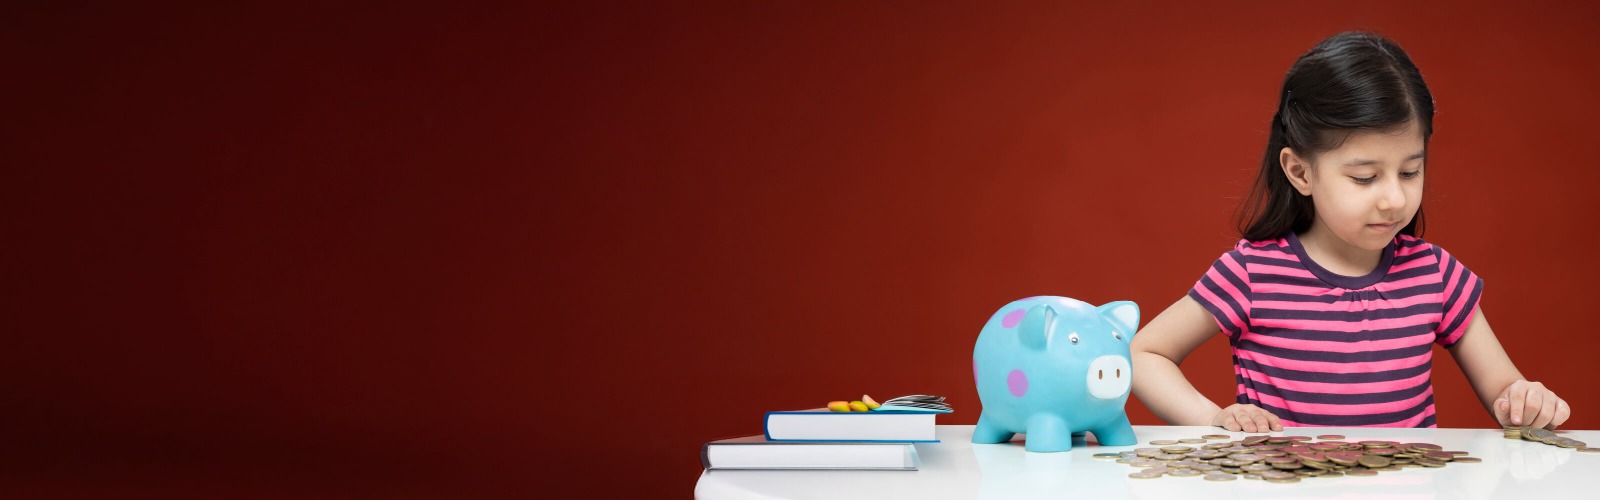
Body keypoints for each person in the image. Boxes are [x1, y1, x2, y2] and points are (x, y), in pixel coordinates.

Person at [1129, 31, 1569, 431]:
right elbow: (1143, 354)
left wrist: (1525, 400)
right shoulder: (1252, 272)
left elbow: (1506, 391)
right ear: (1300, 172)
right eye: (1364, 178)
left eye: (1410, 171)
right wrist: (1215, 419)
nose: (1394, 199)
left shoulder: (1435, 276)